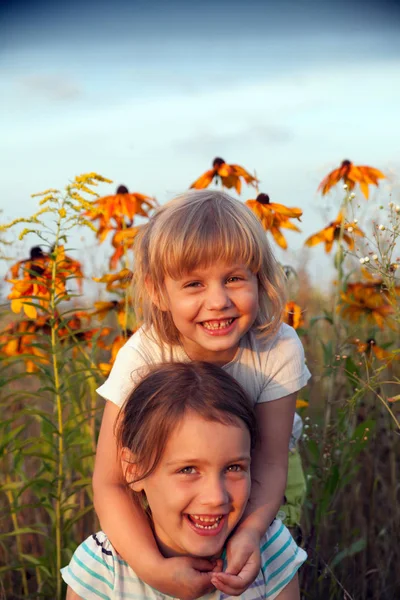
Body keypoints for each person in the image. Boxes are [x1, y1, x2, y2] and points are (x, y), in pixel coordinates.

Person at [93, 190, 311, 598]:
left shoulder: (278, 347)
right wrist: (153, 569)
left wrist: (250, 532)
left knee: (269, 562)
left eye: (233, 278)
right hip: (174, 480)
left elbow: (269, 463)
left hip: (259, 475)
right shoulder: (143, 355)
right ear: (158, 292)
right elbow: (111, 482)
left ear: (258, 279)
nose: (218, 301)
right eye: (194, 284)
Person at [63, 362, 307, 599]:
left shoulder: (270, 552)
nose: (216, 497)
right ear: (135, 469)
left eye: (234, 467)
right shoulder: (102, 569)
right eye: (188, 470)